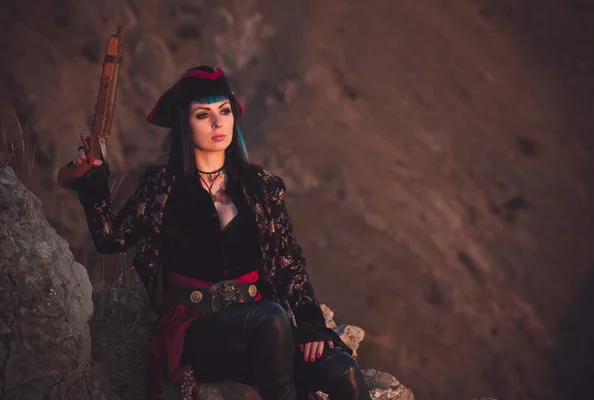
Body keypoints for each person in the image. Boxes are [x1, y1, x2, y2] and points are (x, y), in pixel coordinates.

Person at [71, 65, 372, 400]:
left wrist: (313, 324)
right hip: (199, 330)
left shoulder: (261, 186)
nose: (218, 123)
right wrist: (93, 183)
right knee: (269, 319)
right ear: (184, 123)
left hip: (266, 327)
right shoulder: (162, 188)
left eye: (224, 111)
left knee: (341, 369)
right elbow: (111, 239)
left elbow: (289, 263)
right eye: (203, 114)